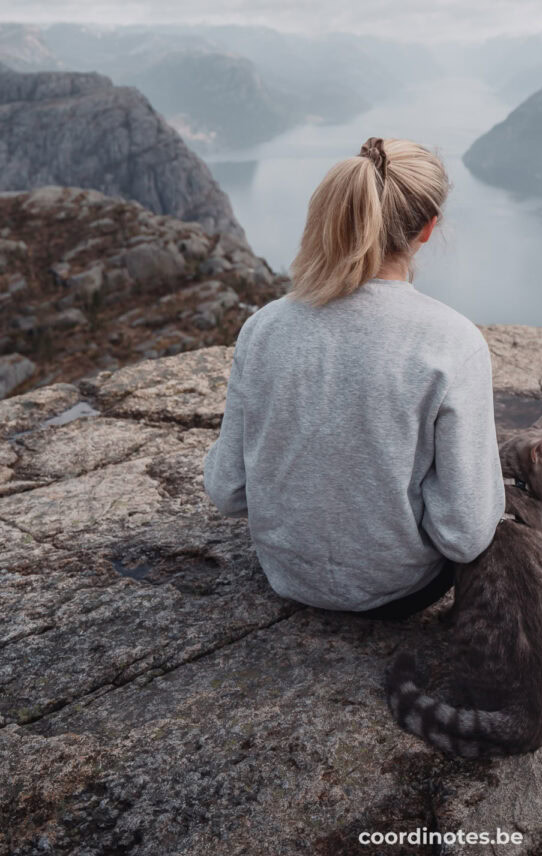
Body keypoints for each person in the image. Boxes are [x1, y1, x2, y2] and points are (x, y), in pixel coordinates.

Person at [203, 135, 506, 619]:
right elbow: (465, 534)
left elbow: (228, 490)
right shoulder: (453, 342)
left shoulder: (263, 328)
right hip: (400, 590)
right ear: (428, 229)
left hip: (286, 576)